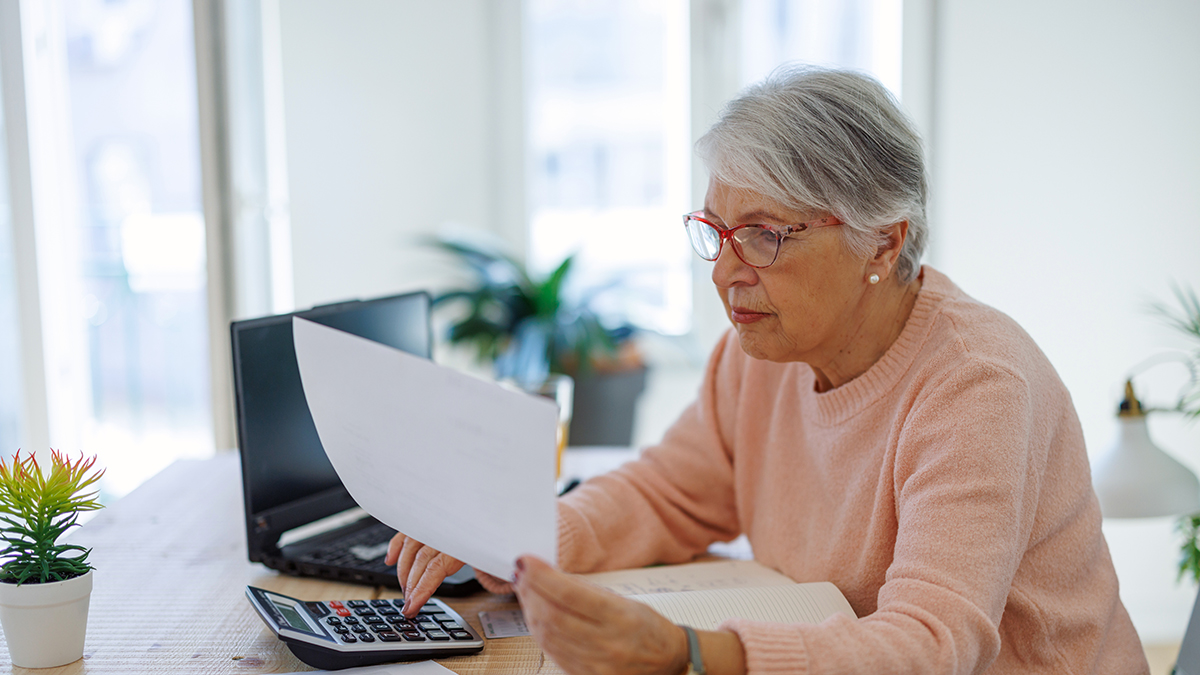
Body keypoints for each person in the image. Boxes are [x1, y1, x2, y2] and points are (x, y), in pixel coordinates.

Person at [386, 65, 1149, 674]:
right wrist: (517, 534)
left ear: (883, 243)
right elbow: (666, 492)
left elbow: (932, 643)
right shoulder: (762, 351)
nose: (725, 273)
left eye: (764, 235)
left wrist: (687, 652)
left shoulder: (977, 386)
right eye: (717, 231)